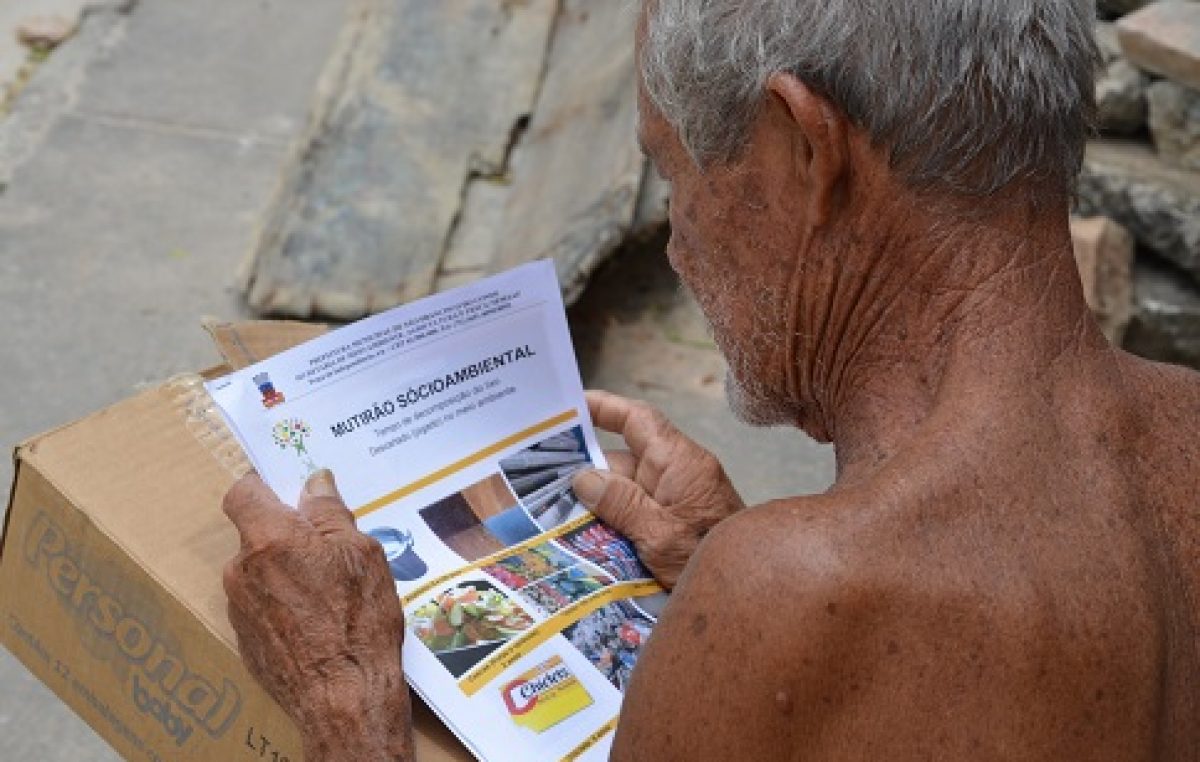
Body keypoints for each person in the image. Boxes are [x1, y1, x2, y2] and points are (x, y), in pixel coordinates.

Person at [221, 0, 1200, 759]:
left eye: (674, 172)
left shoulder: (788, 591)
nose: (678, 246)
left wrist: (352, 712)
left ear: (805, 148)